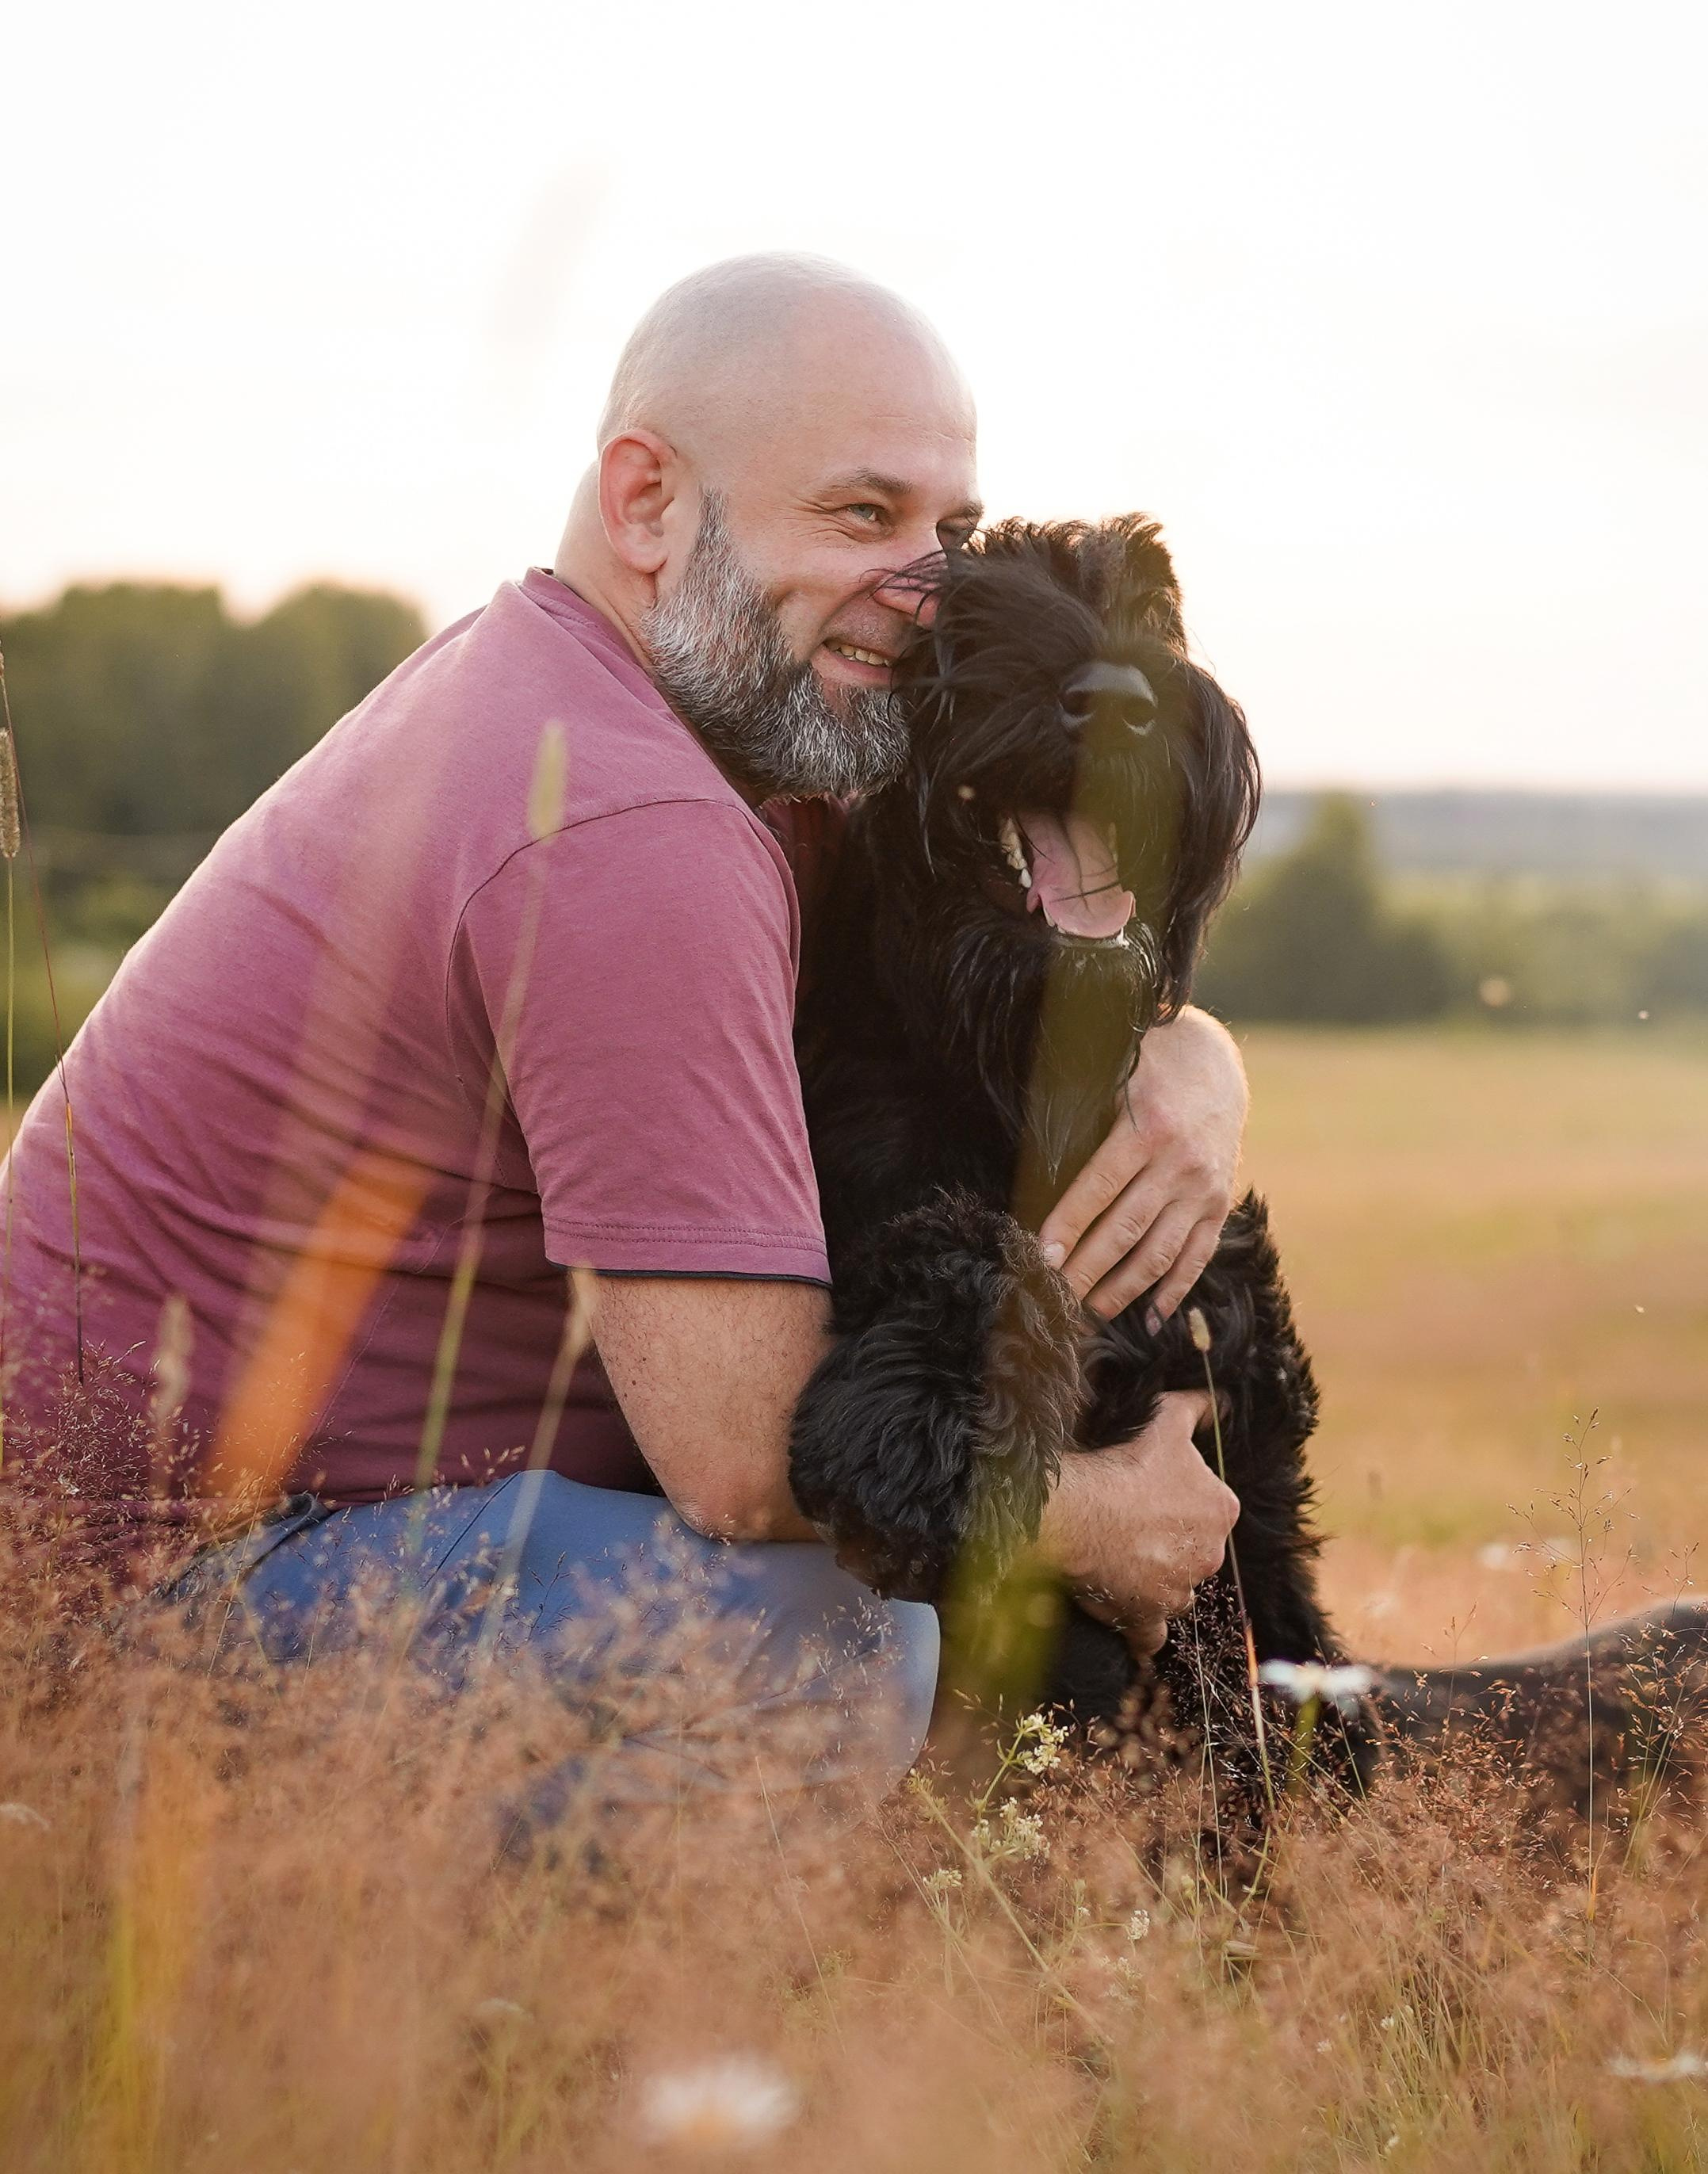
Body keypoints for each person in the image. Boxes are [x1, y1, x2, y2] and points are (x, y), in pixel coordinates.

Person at [0, 254, 1244, 1824]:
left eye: (950, 529)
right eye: (862, 517)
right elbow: (741, 1459)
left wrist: (1192, 1055)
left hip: (318, 1536)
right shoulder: (628, 816)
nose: (927, 588)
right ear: (648, 501)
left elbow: (1008, 944)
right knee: (832, 1652)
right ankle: (435, 2024)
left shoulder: (697, 717)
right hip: (142, 1613)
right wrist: (1096, 1518)